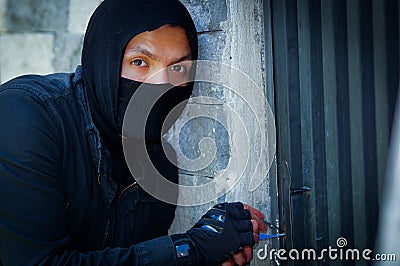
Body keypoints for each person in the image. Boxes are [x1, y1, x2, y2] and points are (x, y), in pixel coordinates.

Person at [0, 0, 266, 265]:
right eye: (140, 62)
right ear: (104, 60)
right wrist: (189, 250)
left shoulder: (159, 166)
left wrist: (210, 245)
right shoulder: (26, 116)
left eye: (177, 68)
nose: (160, 84)